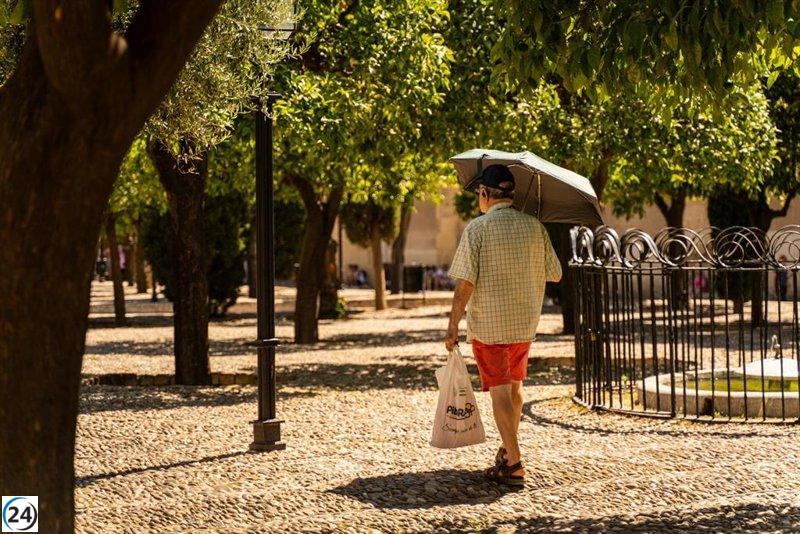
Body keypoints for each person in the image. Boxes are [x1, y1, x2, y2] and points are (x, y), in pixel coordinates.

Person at [444, 164, 561, 486]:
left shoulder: (478, 229)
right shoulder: (534, 226)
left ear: (484, 194)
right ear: (511, 194)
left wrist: (453, 324)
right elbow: (556, 273)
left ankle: (515, 463)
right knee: (515, 389)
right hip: (524, 323)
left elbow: (465, 282)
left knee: (499, 392)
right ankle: (509, 452)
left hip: (490, 326)